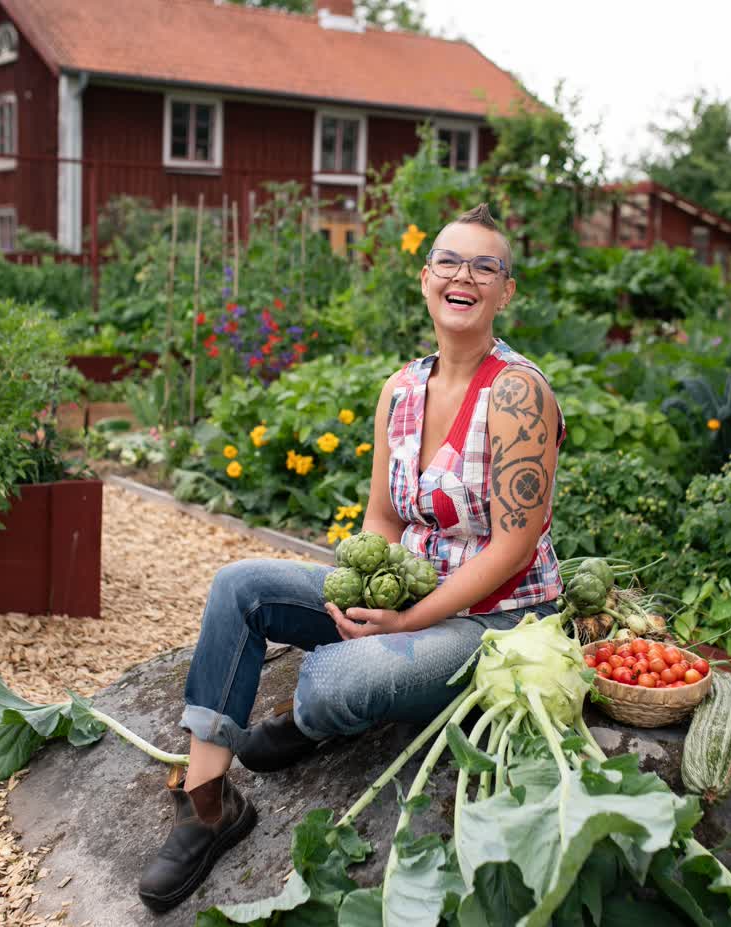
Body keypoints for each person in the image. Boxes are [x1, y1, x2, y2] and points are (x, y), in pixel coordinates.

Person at [138, 203, 565, 913]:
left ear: (505, 291)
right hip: (414, 598)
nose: (465, 276)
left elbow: (515, 545)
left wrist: (405, 623)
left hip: (495, 622)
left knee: (331, 683)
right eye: (451, 262)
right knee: (238, 584)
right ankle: (209, 801)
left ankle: (314, 719)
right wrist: (361, 590)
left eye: (485, 266)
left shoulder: (518, 392)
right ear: (426, 278)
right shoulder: (400, 389)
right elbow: (384, 516)